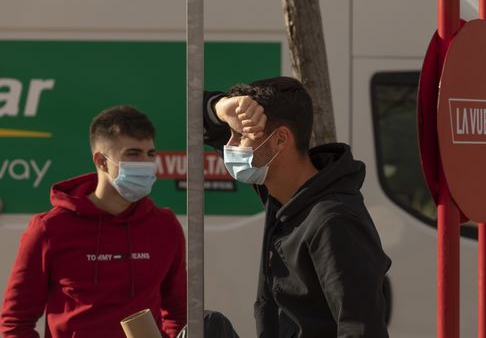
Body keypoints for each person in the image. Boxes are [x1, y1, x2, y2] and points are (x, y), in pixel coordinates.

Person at [203, 77, 391, 338]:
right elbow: (198, 114)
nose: (230, 145)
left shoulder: (333, 221)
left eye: (240, 135)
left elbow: (361, 328)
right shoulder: (283, 194)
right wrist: (225, 107)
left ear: (280, 140)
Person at [0, 106, 187, 338]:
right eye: (133, 153)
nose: (146, 163)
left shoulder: (164, 226)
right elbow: (15, 322)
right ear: (101, 161)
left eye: (150, 154)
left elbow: (180, 313)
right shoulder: (50, 228)